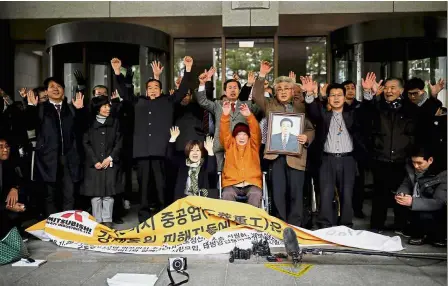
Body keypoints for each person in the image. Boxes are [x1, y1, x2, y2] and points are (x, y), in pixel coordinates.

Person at [112, 56, 193, 223]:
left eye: (156, 87)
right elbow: (124, 92)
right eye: (150, 88)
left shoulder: (168, 101)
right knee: (143, 188)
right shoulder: (138, 102)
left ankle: (164, 216)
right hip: (142, 152)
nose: (153, 90)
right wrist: (117, 72)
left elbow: (183, 89)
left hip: (161, 151)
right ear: (146, 90)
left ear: (161, 90)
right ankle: (144, 218)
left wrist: (188, 68)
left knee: (162, 186)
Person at [252, 61, 315, 227]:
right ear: (274, 92)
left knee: (296, 193)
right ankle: (279, 225)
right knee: (278, 193)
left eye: (286, 88)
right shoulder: (270, 105)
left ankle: (295, 226)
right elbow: (257, 96)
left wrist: (306, 138)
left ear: (293, 90)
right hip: (276, 157)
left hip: (296, 157)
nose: (283, 92)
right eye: (279, 89)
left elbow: (311, 128)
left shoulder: (301, 106)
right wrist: (262, 75)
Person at [361, 73, 418, 233]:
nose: (388, 91)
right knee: (380, 194)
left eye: (393, 88)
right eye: (386, 88)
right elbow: (364, 114)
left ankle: (401, 225)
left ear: (401, 90)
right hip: (381, 157)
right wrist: (368, 94)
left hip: (403, 159)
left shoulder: (411, 109)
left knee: (402, 193)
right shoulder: (377, 106)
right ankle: (377, 225)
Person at [305, 82, 367, 228]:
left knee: (347, 194)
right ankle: (325, 224)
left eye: (339, 95)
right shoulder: (323, 115)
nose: (336, 98)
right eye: (332, 95)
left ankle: (346, 224)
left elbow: (367, 111)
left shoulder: (352, 114)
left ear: (345, 98)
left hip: (348, 159)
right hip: (327, 159)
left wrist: (368, 92)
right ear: (328, 98)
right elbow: (313, 111)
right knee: (326, 193)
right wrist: (309, 94)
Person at [25, 77, 86, 217]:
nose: (55, 88)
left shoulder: (71, 108)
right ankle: (53, 226)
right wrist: (30, 107)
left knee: (69, 194)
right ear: (46, 91)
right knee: (50, 195)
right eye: (52, 86)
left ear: (63, 90)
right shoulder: (40, 108)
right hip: (48, 159)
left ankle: (67, 227)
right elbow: (28, 125)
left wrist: (81, 110)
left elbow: (82, 129)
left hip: (69, 158)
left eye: (59, 86)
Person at [194, 67, 259, 172]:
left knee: (236, 173)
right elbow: (202, 101)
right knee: (218, 173)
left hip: (240, 145)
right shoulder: (217, 104)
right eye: (230, 88)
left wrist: (258, 85)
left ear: (239, 90)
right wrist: (202, 83)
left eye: (235, 87)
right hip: (220, 145)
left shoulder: (248, 105)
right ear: (225, 91)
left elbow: (263, 105)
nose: (232, 90)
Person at [81, 96, 123, 228]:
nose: (108, 108)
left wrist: (110, 158)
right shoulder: (89, 123)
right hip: (94, 165)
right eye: (104, 106)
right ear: (97, 108)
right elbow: (85, 143)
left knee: (109, 195)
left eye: (108, 106)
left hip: (110, 163)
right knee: (96, 195)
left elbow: (119, 142)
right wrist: (95, 161)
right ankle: (97, 221)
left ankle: (107, 220)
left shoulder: (115, 122)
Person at [394, 146, 446, 246]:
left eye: (419, 163)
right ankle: (413, 229)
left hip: (435, 210)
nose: (416, 166)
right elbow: (406, 184)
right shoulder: (411, 168)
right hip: (418, 202)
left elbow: (439, 203)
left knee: (427, 213)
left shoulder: (443, 174)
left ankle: (436, 235)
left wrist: (413, 202)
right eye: (413, 162)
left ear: (430, 160)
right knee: (397, 201)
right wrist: (401, 193)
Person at [220, 102, 262, 207]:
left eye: (244, 134)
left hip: (251, 183)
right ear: (234, 136)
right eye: (239, 134)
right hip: (232, 184)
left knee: (255, 194)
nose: (242, 137)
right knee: (227, 194)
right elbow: (224, 132)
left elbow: (255, 131)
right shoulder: (230, 145)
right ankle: (231, 222)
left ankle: (251, 222)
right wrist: (225, 115)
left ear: (248, 136)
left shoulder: (253, 145)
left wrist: (249, 116)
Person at [168, 126, 217, 200]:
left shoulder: (204, 164)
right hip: (183, 199)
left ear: (201, 153)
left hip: (201, 199)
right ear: (188, 152)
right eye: (192, 150)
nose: (195, 153)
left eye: (197, 150)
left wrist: (210, 150)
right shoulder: (182, 163)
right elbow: (169, 158)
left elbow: (211, 170)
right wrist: (173, 138)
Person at [0, 137, 26, 238]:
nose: (5, 150)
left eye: (6, 146)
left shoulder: (7, 165)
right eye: (1, 147)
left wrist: (15, 188)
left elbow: (19, 181)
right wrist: (8, 206)